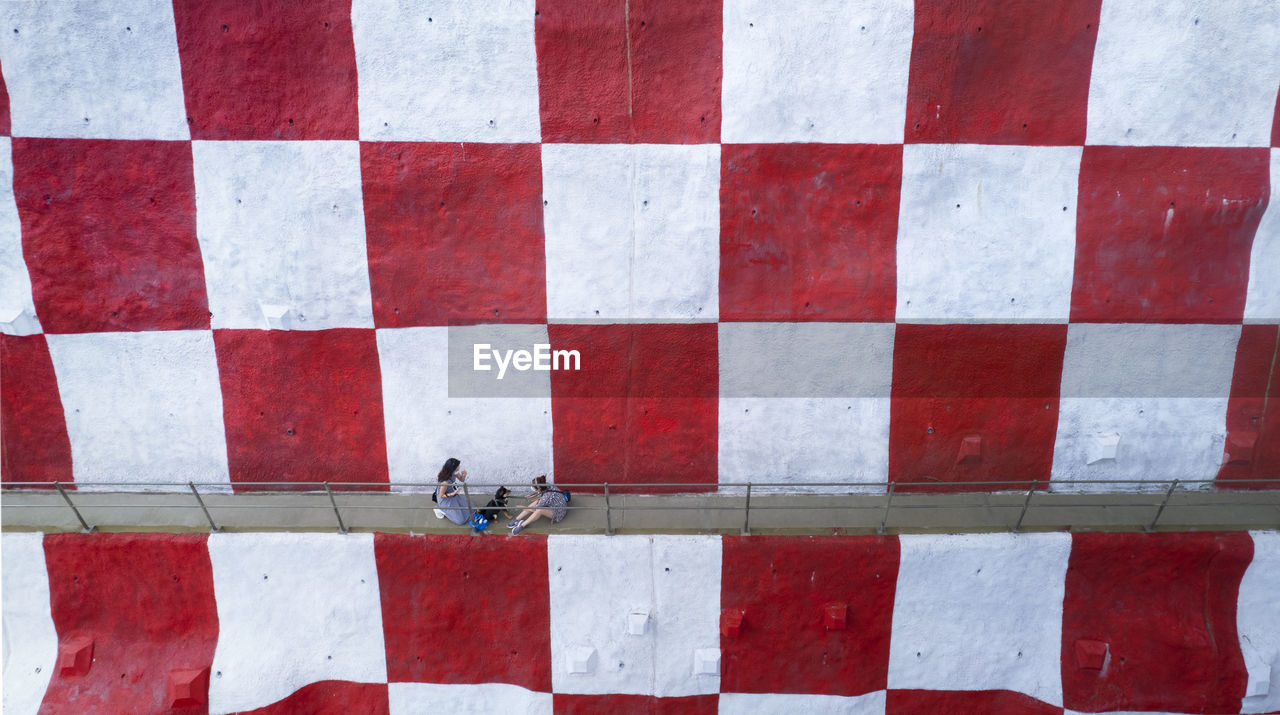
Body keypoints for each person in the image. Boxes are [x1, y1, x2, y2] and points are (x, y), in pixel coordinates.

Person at [435, 458, 472, 526]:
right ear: (453, 468)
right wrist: (453, 493)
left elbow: (461, 480)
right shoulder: (445, 482)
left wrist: (464, 475)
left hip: (453, 494)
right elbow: (441, 495)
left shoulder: (454, 472)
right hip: (445, 499)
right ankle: (440, 509)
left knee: (471, 509)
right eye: (458, 466)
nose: (459, 466)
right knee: (461, 520)